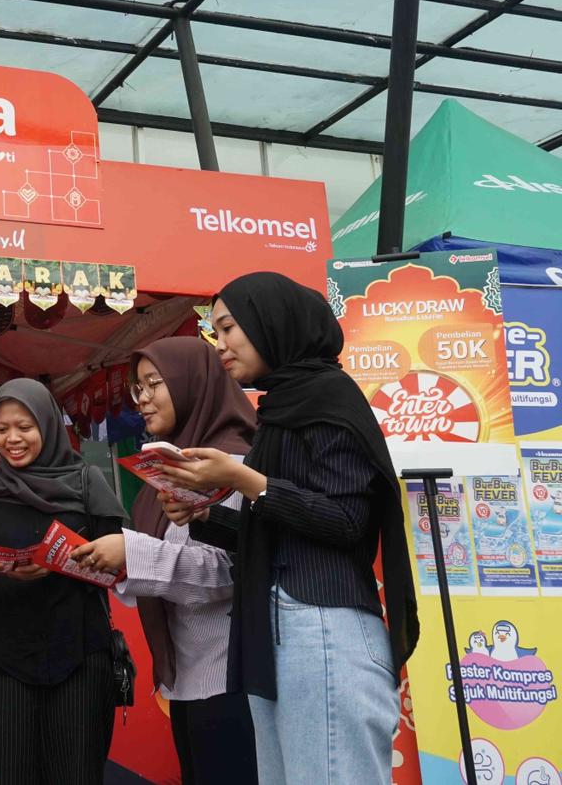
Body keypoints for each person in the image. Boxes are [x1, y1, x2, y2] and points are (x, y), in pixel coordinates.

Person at [158, 272, 419, 785]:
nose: (220, 345)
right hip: (277, 630)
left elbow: (347, 521)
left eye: (229, 328)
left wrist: (243, 478)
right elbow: (277, 532)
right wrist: (205, 515)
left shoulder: (329, 398)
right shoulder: (279, 408)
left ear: (271, 323)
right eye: (214, 332)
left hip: (323, 625)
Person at [71, 337, 258, 785]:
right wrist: (113, 562)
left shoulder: (231, 464)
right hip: (186, 678)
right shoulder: (168, 463)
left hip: (231, 676)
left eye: (154, 383)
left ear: (192, 382)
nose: (143, 398)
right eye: (138, 387)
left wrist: (131, 554)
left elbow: (226, 571)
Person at [0, 378, 127, 785]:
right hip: (6, 661)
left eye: (24, 427)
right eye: (2, 429)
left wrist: (69, 561)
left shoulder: (87, 483)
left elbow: (117, 569)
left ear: (47, 426)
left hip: (80, 657)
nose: (12, 439)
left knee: (77, 775)